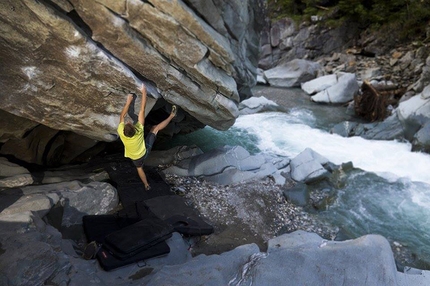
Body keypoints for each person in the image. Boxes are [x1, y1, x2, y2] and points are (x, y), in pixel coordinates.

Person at [117, 83, 176, 190]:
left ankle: (146, 184)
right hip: (144, 152)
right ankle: (171, 116)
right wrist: (143, 92)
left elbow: (122, 116)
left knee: (139, 168)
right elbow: (142, 109)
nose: (128, 122)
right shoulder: (139, 129)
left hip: (135, 158)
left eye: (127, 123)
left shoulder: (121, 132)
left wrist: (128, 102)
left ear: (124, 130)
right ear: (134, 129)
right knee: (155, 128)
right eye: (129, 123)